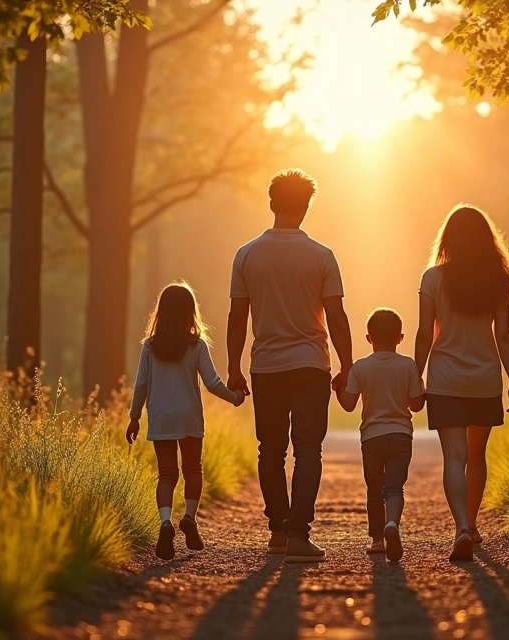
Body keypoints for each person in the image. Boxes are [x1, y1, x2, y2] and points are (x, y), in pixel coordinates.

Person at [226, 168, 353, 564]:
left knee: (270, 450)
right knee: (308, 448)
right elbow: (336, 316)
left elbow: (237, 318)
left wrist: (233, 367)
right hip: (311, 365)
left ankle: (279, 531)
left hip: (266, 367)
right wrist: (347, 365)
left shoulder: (246, 255)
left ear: (271, 204)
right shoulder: (322, 256)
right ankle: (299, 533)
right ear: (306, 208)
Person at [415, 205, 509, 561]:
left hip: (445, 379)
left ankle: (461, 526)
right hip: (484, 379)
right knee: (476, 455)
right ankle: (473, 525)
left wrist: (415, 377)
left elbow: (424, 334)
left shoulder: (432, 278)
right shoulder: (495, 279)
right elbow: (504, 335)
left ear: (448, 239)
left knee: (454, 457)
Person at [126, 282, 246, 561]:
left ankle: (165, 522)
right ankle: (189, 518)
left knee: (167, 473)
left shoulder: (150, 346)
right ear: (190, 313)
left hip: (160, 415)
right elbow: (213, 383)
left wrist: (134, 417)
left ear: (162, 312)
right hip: (189, 414)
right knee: (193, 470)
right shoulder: (196, 345)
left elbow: (141, 384)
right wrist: (235, 397)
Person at [336, 308, 426, 563]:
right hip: (400, 436)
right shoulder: (408, 365)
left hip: (372, 438)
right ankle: (392, 525)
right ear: (400, 337)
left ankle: (377, 541)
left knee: (374, 489)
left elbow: (349, 404)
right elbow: (417, 405)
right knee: (394, 487)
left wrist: (337, 389)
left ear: (368, 338)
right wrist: (421, 390)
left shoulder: (360, 367)